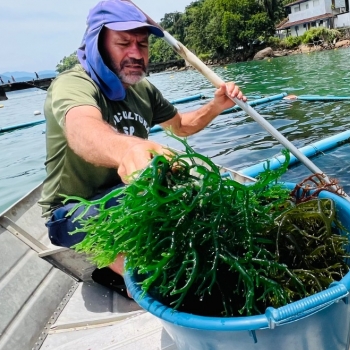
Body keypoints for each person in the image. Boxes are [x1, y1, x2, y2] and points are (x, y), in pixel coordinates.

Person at [39, 0, 246, 293]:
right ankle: (119, 273)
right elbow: (81, 129)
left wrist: (216, 106)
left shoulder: (142, 89)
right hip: (71, 211)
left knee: (197, 195)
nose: (136, 53)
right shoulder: (73, 84)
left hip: (128, 193)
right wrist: (127, 149)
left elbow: (180, 126)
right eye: (123, 43)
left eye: (143, 44)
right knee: (165, 282)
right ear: (98, 44)